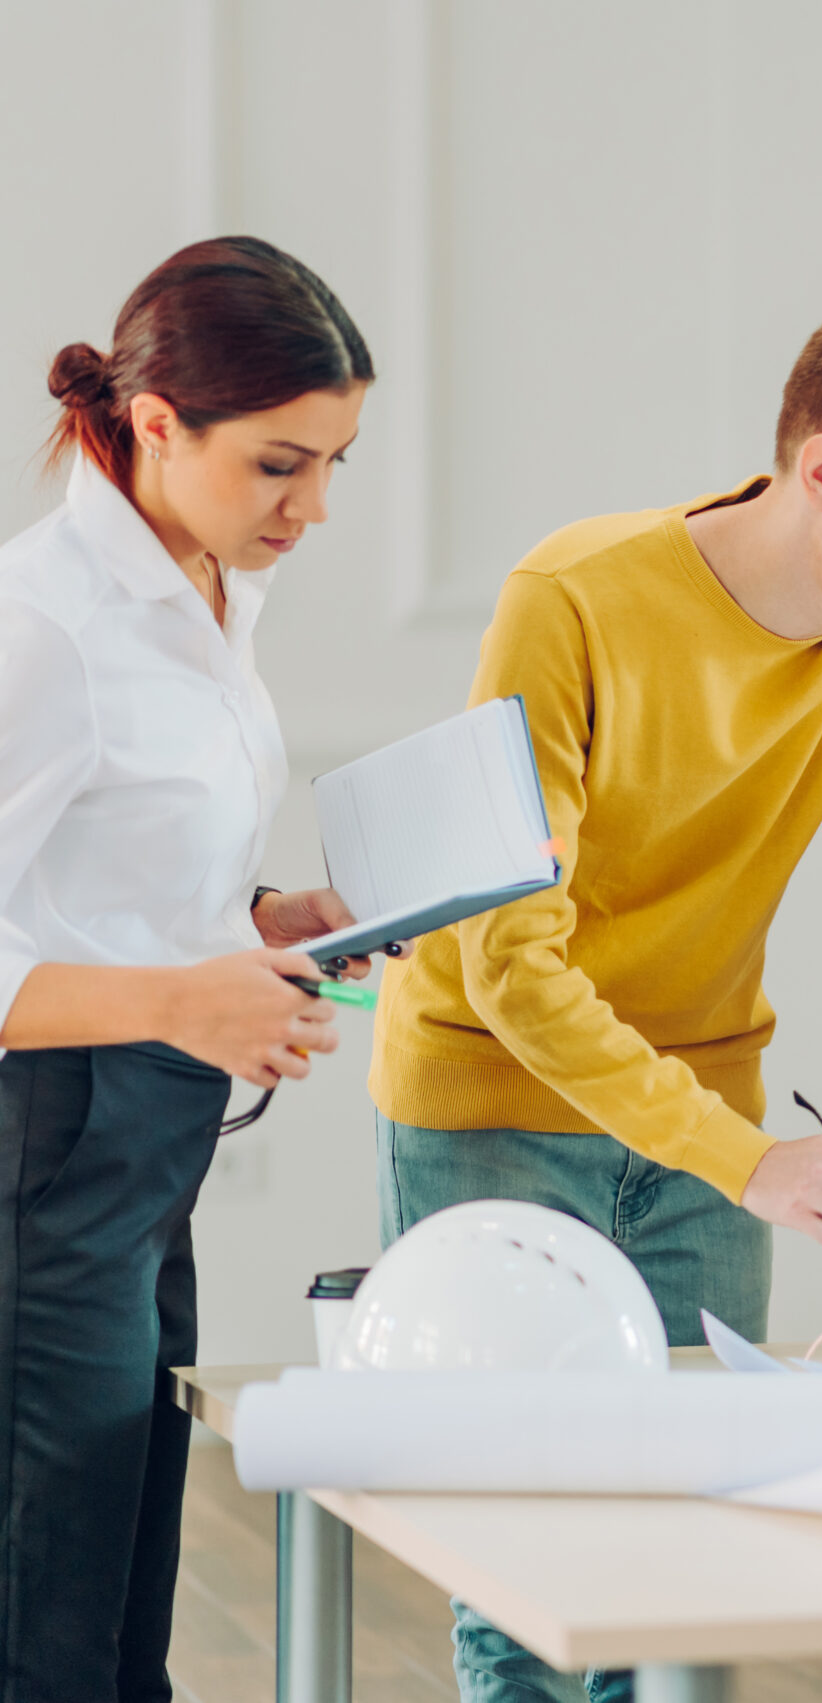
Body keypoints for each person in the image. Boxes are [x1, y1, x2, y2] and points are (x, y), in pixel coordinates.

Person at [368, 293, 822, 1703]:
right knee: (530, 1579)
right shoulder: (570, 600)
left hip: (711, 1114)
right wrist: (746, 1157)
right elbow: (510, 967)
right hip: (494, 1110)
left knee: (693, 1572)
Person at [0, 237, 376, 1703]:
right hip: (53, 1147)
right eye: (283, 464)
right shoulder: (47, 628)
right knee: (48, 1627)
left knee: (121, 1599)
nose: (317, 507)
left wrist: (262, 917)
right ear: (157, 424)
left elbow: (110, 875)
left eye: (337, 463)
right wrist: (181, 1000)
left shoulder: (207, 584)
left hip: (148, 1151)